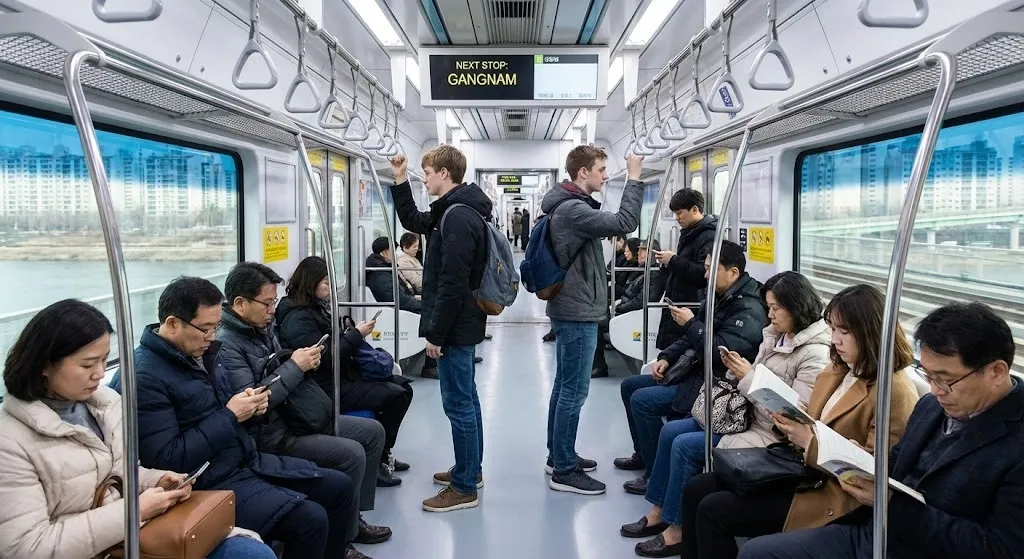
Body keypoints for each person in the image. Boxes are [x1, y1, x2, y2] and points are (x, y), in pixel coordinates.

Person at [736, 301, 1023, 559]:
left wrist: (892, 505)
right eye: (929, 375)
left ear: (996, 371)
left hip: (922, 545)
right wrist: (862, 462)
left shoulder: (1015, 443)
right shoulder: (930, 407)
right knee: (757, 552)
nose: (935, 390)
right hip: (874, 532)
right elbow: (897, 463)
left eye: (946, 380)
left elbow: (1002, 548)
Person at [0, 299, 276, 559]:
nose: (98, 373)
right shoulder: (11, 442)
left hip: (132, 529)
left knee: (251, 551)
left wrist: (155, 480)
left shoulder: (103, 406)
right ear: (45, 365)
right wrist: (132, 512)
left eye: (104, 360)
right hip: (103, 543)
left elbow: (118, 472)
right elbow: (26, 548)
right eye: (87, 364)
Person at [132, 277, 368, 559]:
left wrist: (250, 409)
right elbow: (167, 459)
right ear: (172, 324)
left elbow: (224, 412)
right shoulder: (146, 377)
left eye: (216, 327)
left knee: (338, 486)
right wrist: (232, 415)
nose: (212, 337)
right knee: (311, 519)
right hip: (207, 482)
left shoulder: (204, 355)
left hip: (243, 459)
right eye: (205, 329)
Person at [682, 283, 920, 559]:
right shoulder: (839, 368)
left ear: (870, 332)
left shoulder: (893, 390)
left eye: (845, 332)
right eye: (833, 330)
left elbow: (874, 473)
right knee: (696, 488)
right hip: (801, 468)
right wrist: (791, 418)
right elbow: (817, 416)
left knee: (714, 510)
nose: (835, 340)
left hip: (831, 493)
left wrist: (810, 441)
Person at [619, 271, 831, 557]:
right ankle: (659, 509)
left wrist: (749, 377)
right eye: (769, 307)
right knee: (671, 431)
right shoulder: (775, 336)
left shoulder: (814, 353)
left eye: (776, 308)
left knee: (684, 444)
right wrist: (739, 371)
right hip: (746, 416)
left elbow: (794, 415)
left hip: (770, 435)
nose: (770, 315)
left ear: (797, 306)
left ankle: (677, 529)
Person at [217, 263, 399, 516]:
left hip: (297, 415)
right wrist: (296, 365)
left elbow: (280, 367)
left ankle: (355, 517)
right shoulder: (226, 346)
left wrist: (301, 361)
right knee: (353, 453)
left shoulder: (263, 329)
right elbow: (255, 405)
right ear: (240, 303)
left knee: (372, 432)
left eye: (274, 302)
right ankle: (347, 533)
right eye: (267, 304)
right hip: (273, 433)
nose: (272, 311)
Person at [615, 241, 768, 485]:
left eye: (710, 270)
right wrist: (666, 357)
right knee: (630, 385)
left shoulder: (747, 309)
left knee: (643, 401)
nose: (704, 275)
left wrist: (689, 324)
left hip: (714, 383)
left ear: (733, 272)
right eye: (704, 268)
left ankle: (655, 474)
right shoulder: (717, 295)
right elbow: (692, 337)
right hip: (694, 369)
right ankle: (644, 454)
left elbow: (720, 354)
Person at [389, 146, 490, 513]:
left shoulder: (459, 217)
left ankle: (464, 487)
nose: (424, 178)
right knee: (467, 399)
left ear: (444, 173)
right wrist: (399, 178)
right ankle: (470, 469)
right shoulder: (451, 210)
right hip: (460, 322)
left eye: (426, 173)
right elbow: (414, 220)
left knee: (459, 404)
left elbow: (452, 282)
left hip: (455, 325)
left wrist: (435, 333)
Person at [541, 145, 646, 495]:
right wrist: (634, 177)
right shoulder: (573, 210)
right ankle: (565, 470)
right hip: (577, 310)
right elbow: (625, 223)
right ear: (582, 173)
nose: (605, 174)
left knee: (563, 386)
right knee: (574, 390)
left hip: (570, 306)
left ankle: (559, 455)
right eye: (601, 169)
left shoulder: (567, 206)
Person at [277, 256, 414, 482]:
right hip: (322, 386)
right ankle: (378, 459)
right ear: (310, 283)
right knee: (396, 395)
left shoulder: (317, 307)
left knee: (403, 386)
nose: (330, 288)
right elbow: (325, 358)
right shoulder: (298, 318)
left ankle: (383, 451)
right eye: (325, 283)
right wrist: (356, 335)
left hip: (341, 375)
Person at [652, 189, 717, 351]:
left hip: (691, 304)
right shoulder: (690, 233)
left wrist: (673, 260)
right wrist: (669, 262)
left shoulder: (708, 236)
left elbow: (704, 273)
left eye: (680, 213)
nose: (677, 218)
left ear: (695, 210)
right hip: (680, 301)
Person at [592, 239, 667, 379]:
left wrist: (619, 308)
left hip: (633, 314)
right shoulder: (644, 271)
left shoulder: (654, 274)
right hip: (627, 310)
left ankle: (598, 366)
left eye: (643, 250)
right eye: (639, 250)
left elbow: (642, 301)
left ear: (652, 253)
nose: (638, 253)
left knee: (597, 324)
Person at [366, 237, 421, 313]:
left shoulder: (384, 268)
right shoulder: (380, 274)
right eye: (394, 251)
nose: (396, 254)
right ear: (386, 252)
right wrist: (423, 304)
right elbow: (400, 300)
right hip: (398, 312)